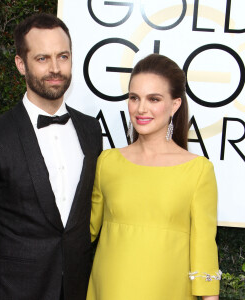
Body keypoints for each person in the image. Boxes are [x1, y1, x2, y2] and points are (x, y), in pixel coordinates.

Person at [0, 13, 102, 300]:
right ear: (21, 64)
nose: (56, 68)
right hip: (10, 291)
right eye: (42, 58)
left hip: (76, 290)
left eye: (63, 56)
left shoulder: (90, 130)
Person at [87, 53, 220, 300]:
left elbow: (204, 250)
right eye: (134, 98)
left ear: (175, 105)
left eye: (154, 99)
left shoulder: (198, 171)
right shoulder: (108, 162)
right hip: (110, 290)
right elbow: (84, 233)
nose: (141, 108)